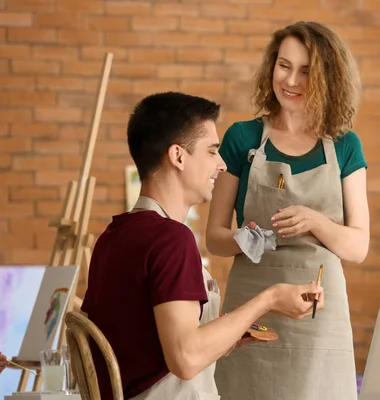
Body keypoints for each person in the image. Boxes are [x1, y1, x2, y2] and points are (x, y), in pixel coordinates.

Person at [80, 92, 325, 400]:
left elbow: (148, 346)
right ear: (178, 156)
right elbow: (184, 358)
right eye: (212, 152)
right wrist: (270, 298)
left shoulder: (112, 237)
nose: (221, 165)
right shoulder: (170, 239)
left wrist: (227, 335)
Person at [207, 21, 369, 400]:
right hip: (252, 312)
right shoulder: (242, 139)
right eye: (284, 65)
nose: (291, 80)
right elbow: (213, 237)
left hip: (318, 316)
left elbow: (358, 246)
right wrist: (244, 239)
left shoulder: (345, 147)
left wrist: (315, 221)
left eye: (306, 71)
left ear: (327, 78)